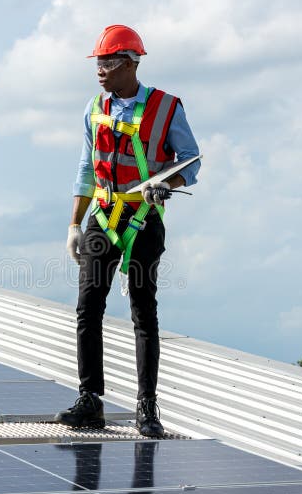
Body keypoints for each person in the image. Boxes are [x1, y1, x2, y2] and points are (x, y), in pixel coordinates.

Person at [55, 25, 201, 438]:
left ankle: (147, 406)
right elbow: (87, 168)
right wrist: (74, 224)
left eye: (109, 63)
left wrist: (167, 183)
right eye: (98, 63)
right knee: (88, 308)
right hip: (102, 216)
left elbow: (191, 161)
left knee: (143, 310)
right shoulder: (94, 108)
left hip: (143, 218)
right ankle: (90, 400)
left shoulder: (167, 108)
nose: (100, 70)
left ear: (131, 64)